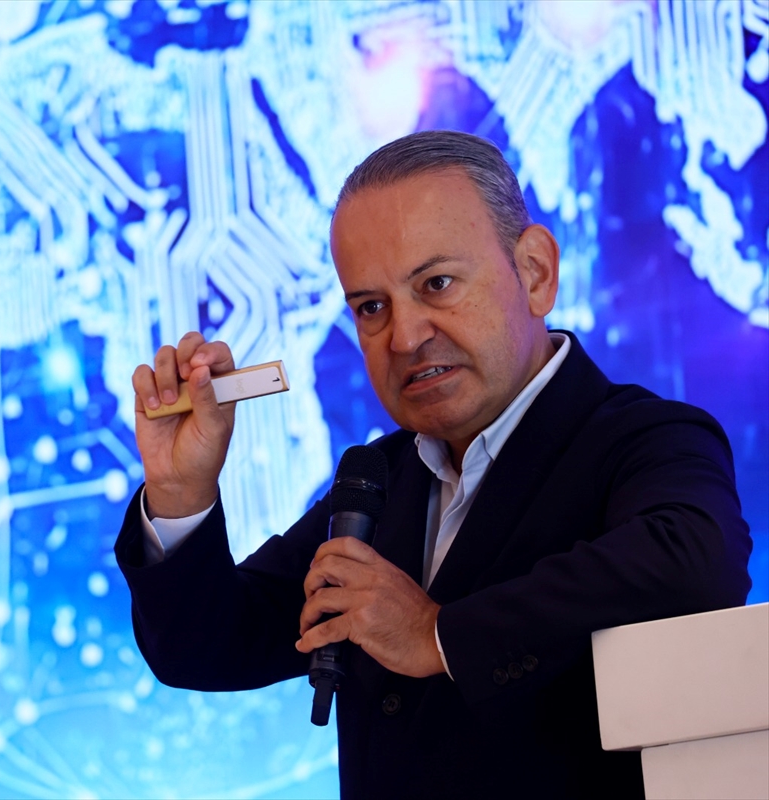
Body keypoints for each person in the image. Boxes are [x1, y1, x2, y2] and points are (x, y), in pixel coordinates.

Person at [113, 130, 752, 798]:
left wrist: (438, 634)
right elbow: (207, 645)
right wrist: (179, 490)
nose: (406, 336)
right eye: (372, 307)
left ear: (536, 272)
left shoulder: (643, 439)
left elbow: (696, 561)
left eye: (437, 284)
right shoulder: (378, 481)